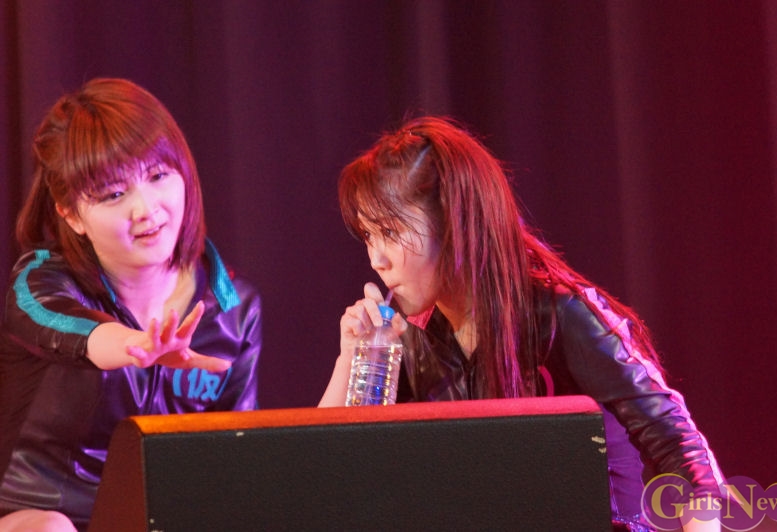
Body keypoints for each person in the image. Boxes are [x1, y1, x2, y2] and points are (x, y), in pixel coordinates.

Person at [319, 116, 725, 531]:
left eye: (389, 232)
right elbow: (327, 474)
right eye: (368, 236)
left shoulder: (561, 315)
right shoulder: (413, 341)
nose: (376, 259)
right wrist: (349, 359)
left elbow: (683, 451)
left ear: (454, 222)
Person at [0, 78, 262, 531]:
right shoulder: (39, 280)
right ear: (70, 213)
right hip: (33, 515)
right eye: (114, 194)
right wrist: (139, 346)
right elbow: (79, 332)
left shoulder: (234, 308)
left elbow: (235, 460)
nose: (146, 209)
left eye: (158, 176)